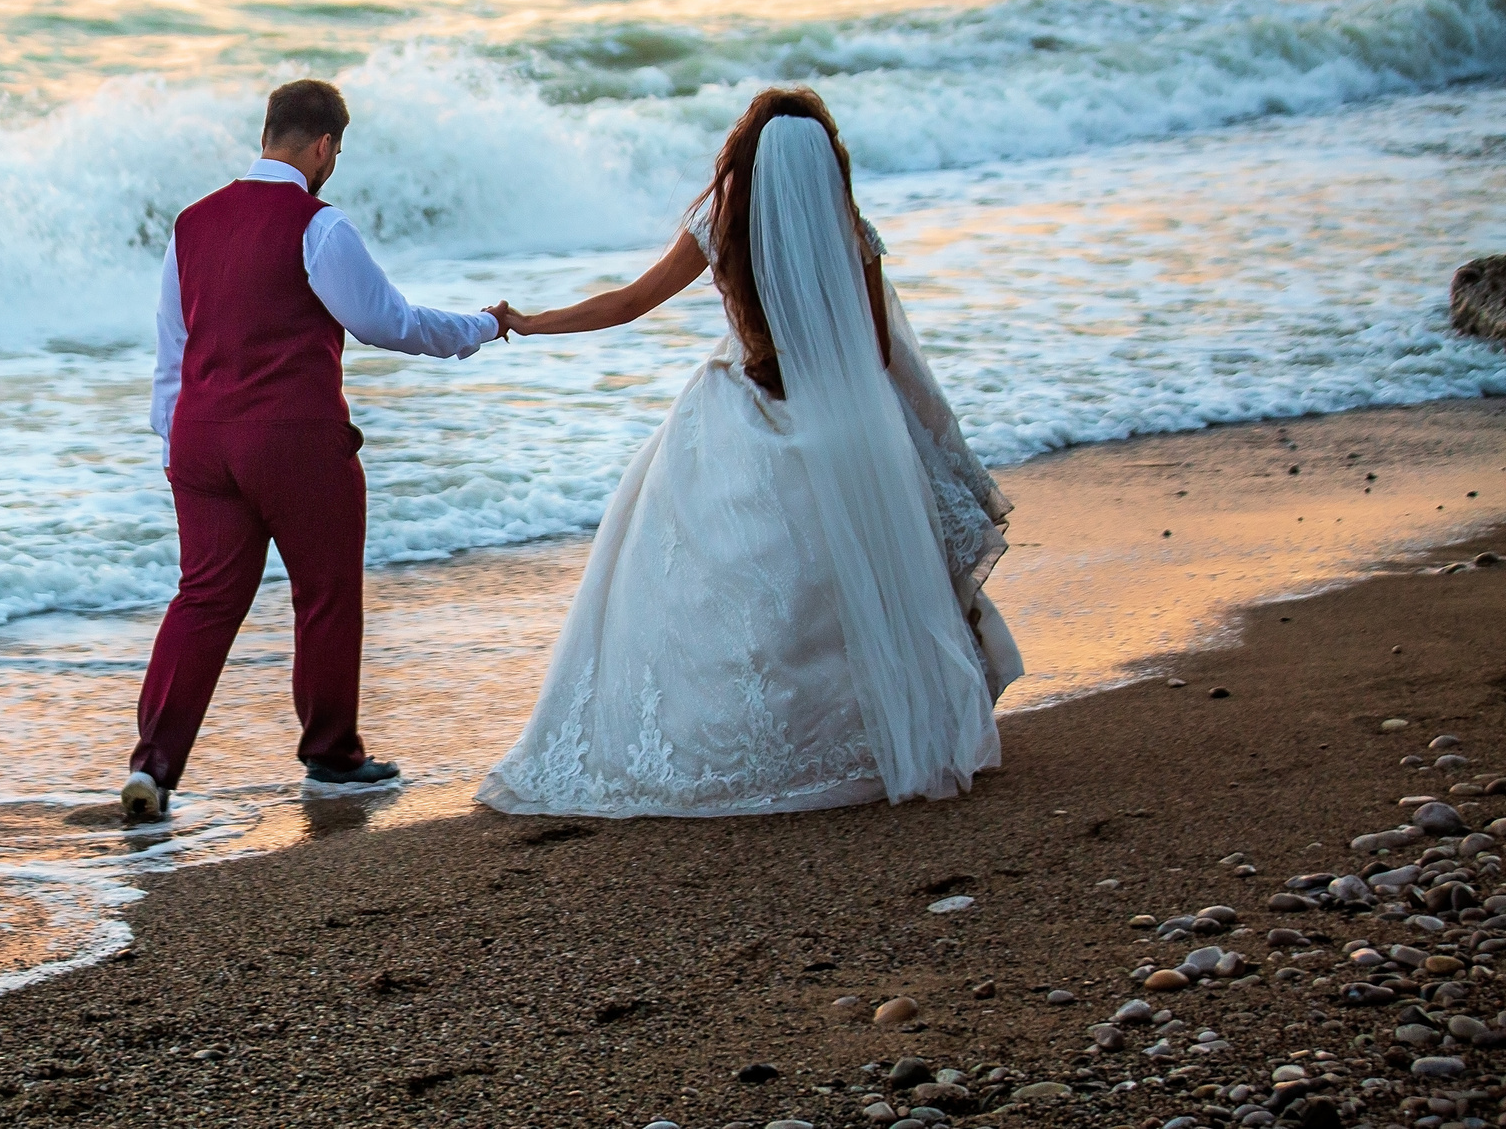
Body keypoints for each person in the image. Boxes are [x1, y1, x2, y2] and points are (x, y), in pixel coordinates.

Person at [477, 87, 1021, 819]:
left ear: (751, 153)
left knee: (710, 575)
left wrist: (533, 321)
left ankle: (740, 741)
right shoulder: (851, 230)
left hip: (746, 406)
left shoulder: (722, 220)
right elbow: (878, 351)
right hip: (846, 420)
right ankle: (874, 735)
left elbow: (634, 300)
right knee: (861, 585)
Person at [121, 79, 502, 824]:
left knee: (202, 601)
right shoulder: (319, 226)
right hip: (292, 440)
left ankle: (153, 767)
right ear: (324, 147)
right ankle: (332, 755)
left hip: (200, 441)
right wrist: (482, 327)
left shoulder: (190, 224)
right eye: (336, 150)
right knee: (324, 591)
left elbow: (173, 348)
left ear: (268, 133)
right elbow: (386, 321)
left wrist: (174, 441)